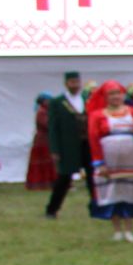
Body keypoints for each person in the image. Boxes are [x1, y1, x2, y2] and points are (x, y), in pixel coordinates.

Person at [87, 81, 133, 241]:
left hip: (131, 158)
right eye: (111, 94)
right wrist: (99, 162)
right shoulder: (97, 115)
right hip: (109, 159)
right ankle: (117, 229)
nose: (115, 97)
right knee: (112, 190)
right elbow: (94, 139)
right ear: (105, 97)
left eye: (118, 93)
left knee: (130, 189)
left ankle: (129, 228)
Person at [45, 71, 95, 217]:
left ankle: (95, 207)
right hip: (68, 146)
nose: (75, 85)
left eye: (77, 82)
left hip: (87, 144)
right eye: (72, 82)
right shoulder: (58, 102)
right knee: (64, 178)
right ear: (66, 84)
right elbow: (53, 128)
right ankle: (52, 209)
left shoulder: (87, 99)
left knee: (92, 177)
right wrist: (54, 149)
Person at [25, 93, 57, 192]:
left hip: (48, 140)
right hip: (42, 141)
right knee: (43, 162)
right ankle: (39, 183)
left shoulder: (48, 111)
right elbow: (47, 124)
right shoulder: (41, 112)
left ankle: (50, 182)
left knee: (50, 162)